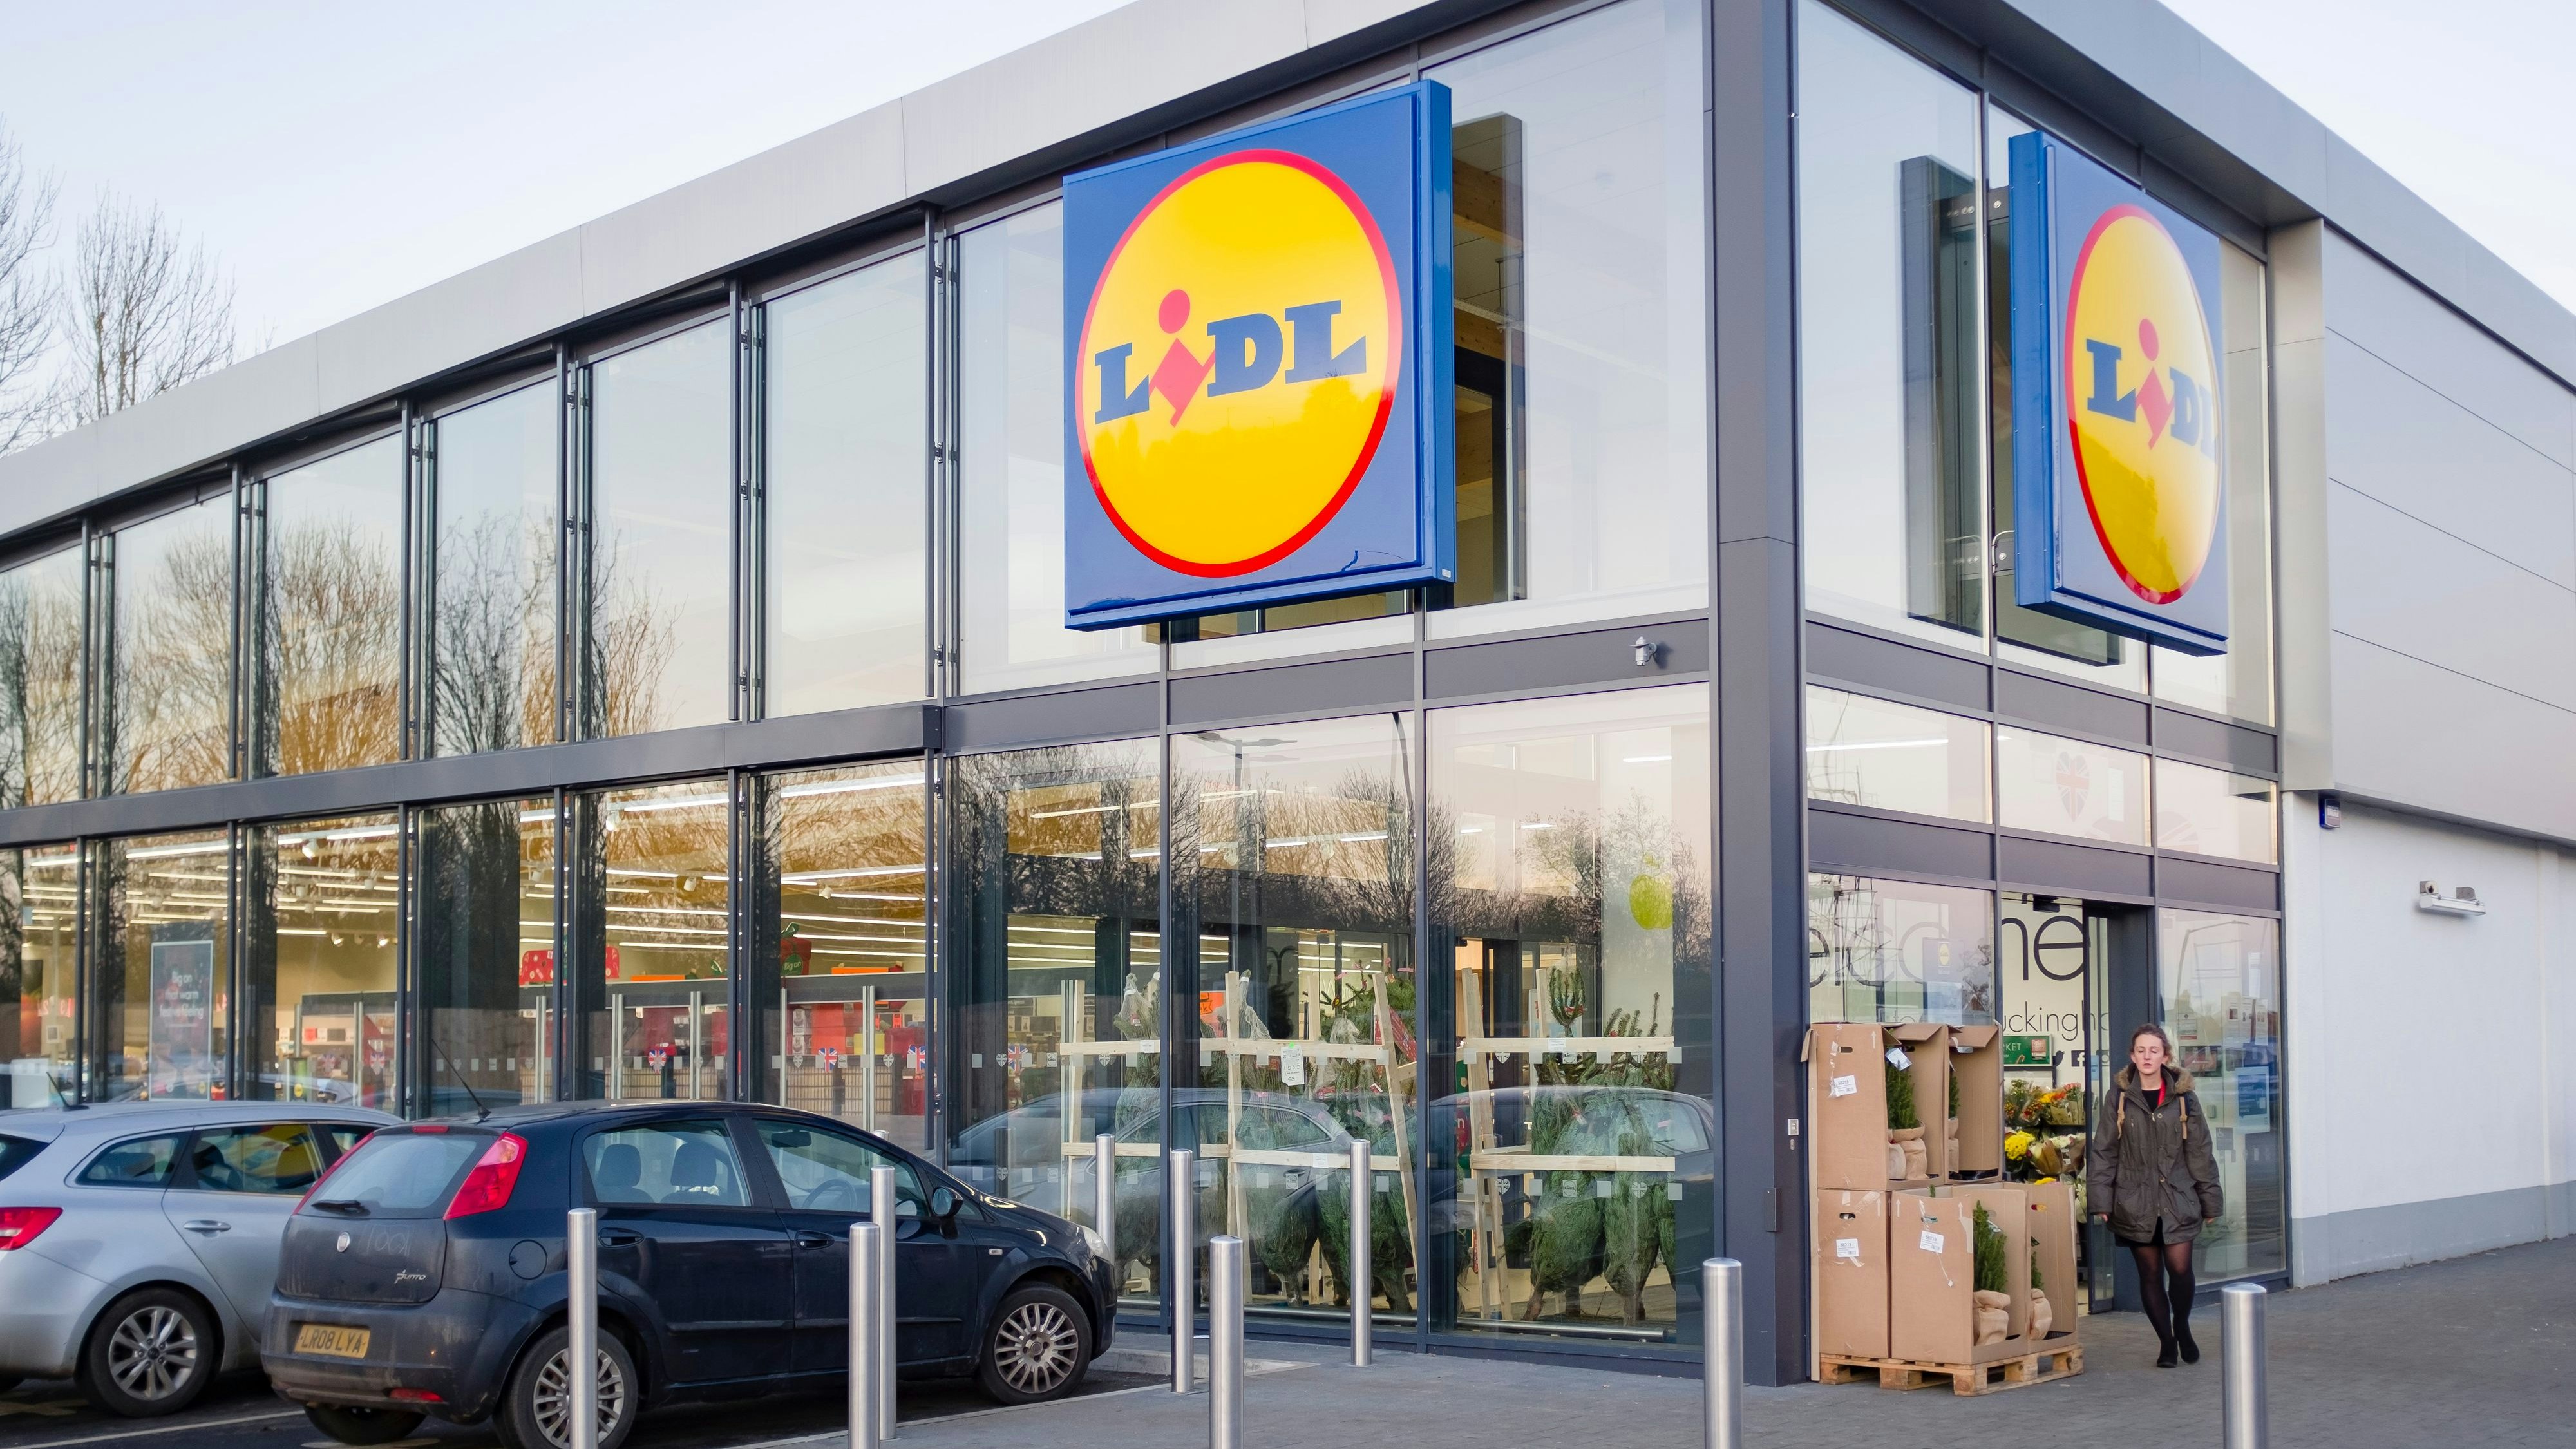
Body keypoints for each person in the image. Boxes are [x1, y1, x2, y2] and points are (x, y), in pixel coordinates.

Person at [2085, 1023, 2223, 1367]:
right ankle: (2166, 1343)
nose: (2147, 1057)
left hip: (2178, 1198)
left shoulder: (2184, 1098)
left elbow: (2200, 1152)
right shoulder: (2118, 1098)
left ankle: (2182, 1325)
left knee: (2180, 1270)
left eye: (2154, 1050)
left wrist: (2210, 1200)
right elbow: (2104, 1151)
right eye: (2141, 1051)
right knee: (2149, 1275)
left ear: (2165, 1056)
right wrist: (2101, 1199)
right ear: (2132, 1057)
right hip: (2135, 1201)